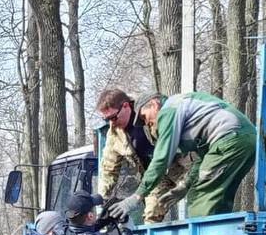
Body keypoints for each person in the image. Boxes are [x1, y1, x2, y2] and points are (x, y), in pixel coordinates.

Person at [106, 90, 256, 221]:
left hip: (229, 139)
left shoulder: (167, 111)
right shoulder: (190, 115)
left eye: (144, 117)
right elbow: (203, 156)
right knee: (218, 199)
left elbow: (161, 159)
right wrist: (185, 185)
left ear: (153, 104)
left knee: (198, 197)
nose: (147, 123)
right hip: (246, 139)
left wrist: (136, 197)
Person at [96, 88, 190, 224]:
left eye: (113, 117)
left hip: (182, 165)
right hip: (155, 177)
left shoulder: (149, 109)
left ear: (126, 106)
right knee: (151, 214)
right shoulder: (115, 135)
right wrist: (101, 200)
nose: (112, 122)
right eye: (107, 120)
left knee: (198, 199)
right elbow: (108, 168)